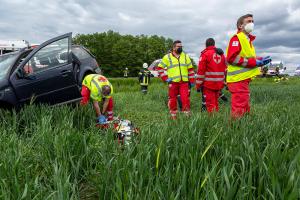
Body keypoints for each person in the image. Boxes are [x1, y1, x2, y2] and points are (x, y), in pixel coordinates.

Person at [226, 14, 271, 119]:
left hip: (243, 79)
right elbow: (232, 58)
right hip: (237, 79)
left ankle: (244, 128)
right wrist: (254, 63)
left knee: (244, 106)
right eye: (249, 21)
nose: (252, 23)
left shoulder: (247, 40)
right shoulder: (237, 38)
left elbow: (248, 57)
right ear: (240, 26)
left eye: (252, 21)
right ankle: (235, 130)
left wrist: (259, 60)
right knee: (239, 107)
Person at [157, 40, 195, 119]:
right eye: (179, 47)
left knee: (185, 99)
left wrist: (192, 81)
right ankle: (173, 117)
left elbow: (190, 69)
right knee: (173, 100)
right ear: (174, 48)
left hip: (184, 82)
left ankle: (187, 117)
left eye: (181, 47)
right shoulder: (167, 57)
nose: (181, 48)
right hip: (173, 83)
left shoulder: (185, 56)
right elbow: (159, 68)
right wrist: (165, 78)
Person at [195, 38, 227, 113]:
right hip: (219, 84)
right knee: (215, 103)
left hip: (209, 84)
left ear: (206, 45)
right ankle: (217, 120)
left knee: (210, 105)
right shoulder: (221, 54)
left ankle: (212, 122)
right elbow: (225, 69)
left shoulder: (205, 54)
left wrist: (198, 85)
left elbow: (201, 71)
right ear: (214, 44)